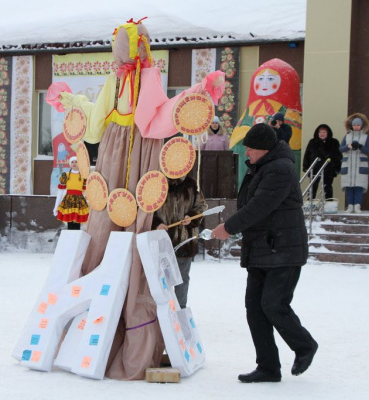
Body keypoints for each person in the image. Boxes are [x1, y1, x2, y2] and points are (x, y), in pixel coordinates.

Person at [46, 19, 225, 379]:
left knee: (125, 219)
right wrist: (74, 103)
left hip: (127, 155)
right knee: (116, 217)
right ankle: (107, 326)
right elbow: (145, 122)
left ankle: (118, 330)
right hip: (124, 155)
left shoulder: (141, 78)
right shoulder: (126, 79)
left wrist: (196, 95)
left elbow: (146, 122)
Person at [212, 124, 317, 383]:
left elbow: (260, 206)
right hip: (262, 248)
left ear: (264, 149)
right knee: (255, 309)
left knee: (273, 304)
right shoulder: (262, 166)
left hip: (283, 249)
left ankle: (304, 346)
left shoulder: (280, 169)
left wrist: (230, 227)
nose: (246, 152)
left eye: (250, 147)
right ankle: (268, 366)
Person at [152, 175, 207, 309]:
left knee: (182, 278)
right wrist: (156, 223)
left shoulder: (192, 183)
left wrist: (191, 217)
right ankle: (161, 311)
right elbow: (145, 208)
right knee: (160, 279)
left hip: (184, 240)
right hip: (160, 242)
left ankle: (180, 311)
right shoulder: (156, 182)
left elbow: (202, 206)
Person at [339, 113, 369, 213]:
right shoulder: (347, 136)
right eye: (354, 125)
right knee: (349, 187)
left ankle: (357, 205)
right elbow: (341, 149)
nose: (356, 127)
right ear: (351, 126)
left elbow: (368, 150)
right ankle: (350, 205)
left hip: (360, 166)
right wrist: (348, 146)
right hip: (348, 165)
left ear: (361, 126)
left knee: (358, 186)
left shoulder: (365, 137)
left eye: (358, 125)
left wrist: (360, 146)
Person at [302, 124, 342, 200]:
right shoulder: (313, 142)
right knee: (313, 186)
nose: (322, 134)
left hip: (329, 169)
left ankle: (329, 203)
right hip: (315, 168)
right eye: (320, 132)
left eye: (324, 132)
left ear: (328, 133)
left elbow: (338, 156)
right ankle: (310, 203)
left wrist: (337, 168)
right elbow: (307, 155)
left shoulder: (334, 142)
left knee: (328, 187)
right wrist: (306, 167)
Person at [52, 157, 89, 230]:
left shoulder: (83, 176)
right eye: (72, 162)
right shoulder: (66, 175)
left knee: (77, 224)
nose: (74, 164)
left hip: (79, 202)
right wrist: (56, 206)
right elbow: (60, 191)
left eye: (76, 162)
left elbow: (87, 191)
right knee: (70, 224)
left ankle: (76, 239)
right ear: (70, 164)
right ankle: (70, 239)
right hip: (68, 201)